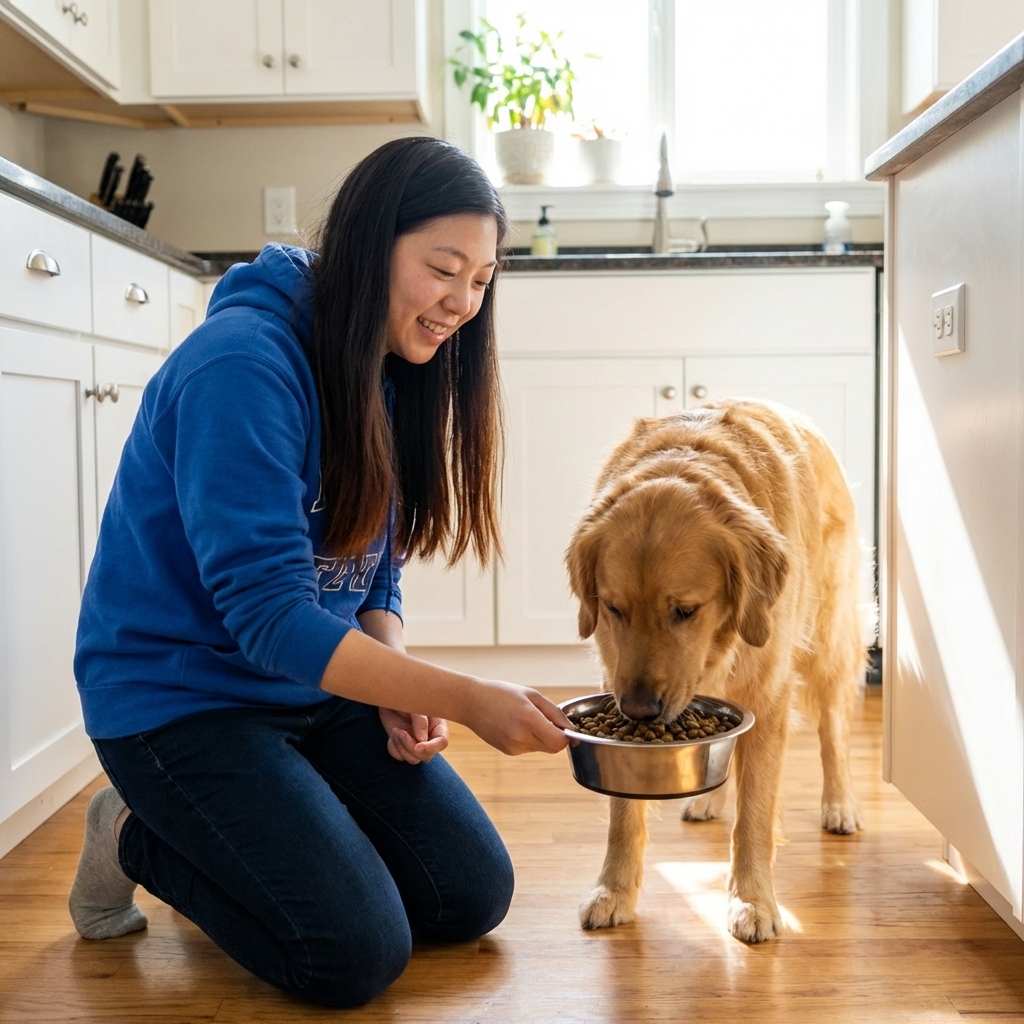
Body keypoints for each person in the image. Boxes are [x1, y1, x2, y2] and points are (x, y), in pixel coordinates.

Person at [68, 136, 570, 1008]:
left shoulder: (390, 365)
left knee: (468, 895)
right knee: (352, 954)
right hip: (181, 705)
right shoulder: (243, 366)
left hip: (309, 687)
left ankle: (265, 835)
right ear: (373, 245)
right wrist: (464, 697)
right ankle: (135, 832)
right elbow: (267, 617)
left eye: (483, 280)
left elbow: (374, 578)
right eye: (442, 269)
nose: (461, 303)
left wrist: (393, 673)